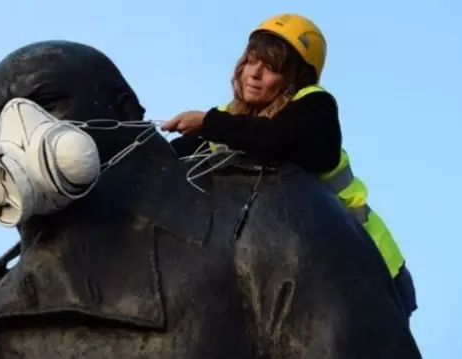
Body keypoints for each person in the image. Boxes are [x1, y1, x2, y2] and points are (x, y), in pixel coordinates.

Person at [161, 13, 418, 322]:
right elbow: (162, 166)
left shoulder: (315, 109)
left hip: (372, 267)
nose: (254, 74)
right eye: (251, 61)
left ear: (294, 79)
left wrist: (208, 122)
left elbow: (276, 139)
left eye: (270, 68)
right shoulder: (226, 124)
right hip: (302, 269)